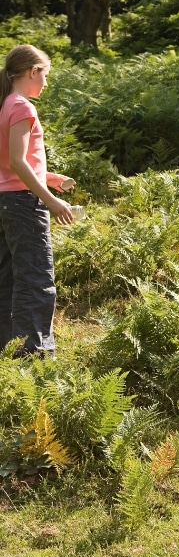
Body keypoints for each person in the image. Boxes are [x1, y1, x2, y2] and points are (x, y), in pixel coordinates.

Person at [0, 45, 75, 359]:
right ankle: (36, 357)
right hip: (23, 205)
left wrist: (52, 178)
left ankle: (8, 352)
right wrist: (52, 201)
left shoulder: (5, 104)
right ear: (32, 72)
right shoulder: (22, 107)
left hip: (6, 200)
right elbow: (18, 161)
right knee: (35, 280)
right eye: (44, 75)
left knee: (9, 279)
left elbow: (10, 164)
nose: (45, 83)